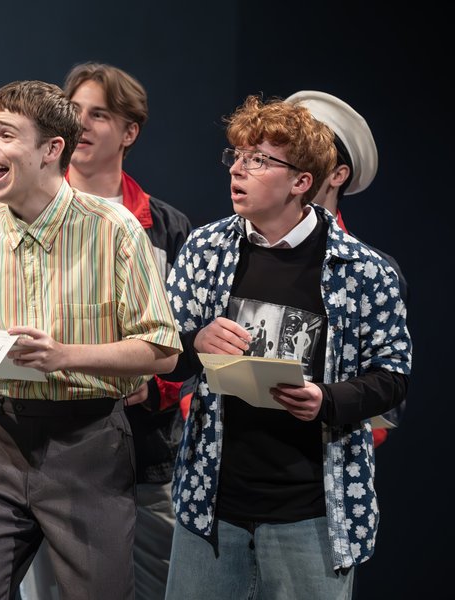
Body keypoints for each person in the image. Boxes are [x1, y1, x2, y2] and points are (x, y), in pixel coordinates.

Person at [0, 80, 182, 599]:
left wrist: (64, 355)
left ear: (51, 149)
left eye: (6, 135)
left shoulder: (113, 229)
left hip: (88, 442)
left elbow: (162, 349)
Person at [162, 95, 411, 599]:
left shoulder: (364, 270)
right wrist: (196, 341)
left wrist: (327, 400)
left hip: (312, 514)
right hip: (212, 506)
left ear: (301, 183)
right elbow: (162, 351)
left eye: (259, 160)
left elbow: (393, 376)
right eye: (237, 156)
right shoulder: (206, 249)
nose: (238, 169)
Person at [19, 62, 193, 600]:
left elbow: (189, 339)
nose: (82, 124)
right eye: (74, 111)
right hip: (39, 440)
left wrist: (153, 387)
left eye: (99, 114)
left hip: (142, 450)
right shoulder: (21, 210)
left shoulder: (166, 228)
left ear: (129, 132)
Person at [286, 89, 408, 447]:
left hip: (324, 456)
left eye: (310, 152)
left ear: (338, 173)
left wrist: (334, 420)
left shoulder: (374, 272)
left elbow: (389, 385)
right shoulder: (225, 248)